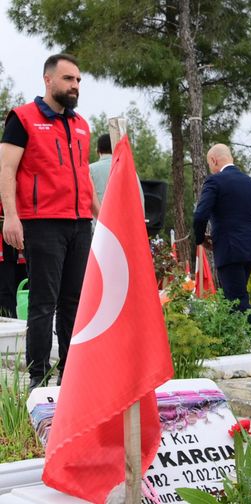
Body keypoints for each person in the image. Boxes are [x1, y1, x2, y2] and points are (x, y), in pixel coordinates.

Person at [0, 54, 100, 391]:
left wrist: (101, 216)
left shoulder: (81, 124)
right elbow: (6, 170)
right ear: (48, 79)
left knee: (74, 302)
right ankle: (38, 378)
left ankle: (71, 376)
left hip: (79, 223)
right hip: (42, 223)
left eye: (78, 80)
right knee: (43, 303)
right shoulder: (22, 118)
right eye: (68, 79)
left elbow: (84, 176)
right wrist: (11, 216)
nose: (75, 85)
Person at [192, 143, 251, 338]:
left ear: (214, 160)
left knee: (237, 301)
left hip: (229, 248)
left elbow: (200, 216)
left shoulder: (215, 181)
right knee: (232, 300)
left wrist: (200, 239)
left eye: (210, 164)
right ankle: (230, 340)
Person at [89, 133, 145, 209]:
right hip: (122, 216)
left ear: (97, 151)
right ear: (116, 149)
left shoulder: (89, 170)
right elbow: (140, 199)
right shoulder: (129, 170)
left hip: (96, 216)